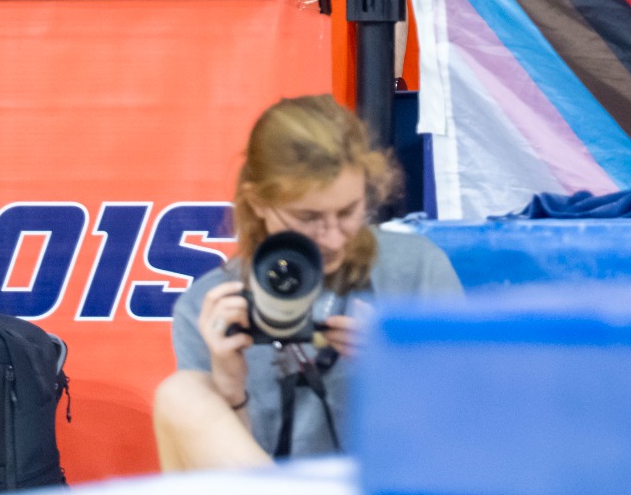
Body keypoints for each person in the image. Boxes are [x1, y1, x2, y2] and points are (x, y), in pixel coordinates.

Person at [155, 96, 461, 470]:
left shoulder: (416, 269)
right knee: (182, 394)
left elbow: (470, 434)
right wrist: (230, 391)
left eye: (349, 211)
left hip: (394, 493)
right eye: (308, 217)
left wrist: (397, 370)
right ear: (259, 203)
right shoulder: (212, 305)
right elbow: (222, 486)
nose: (332, 238)